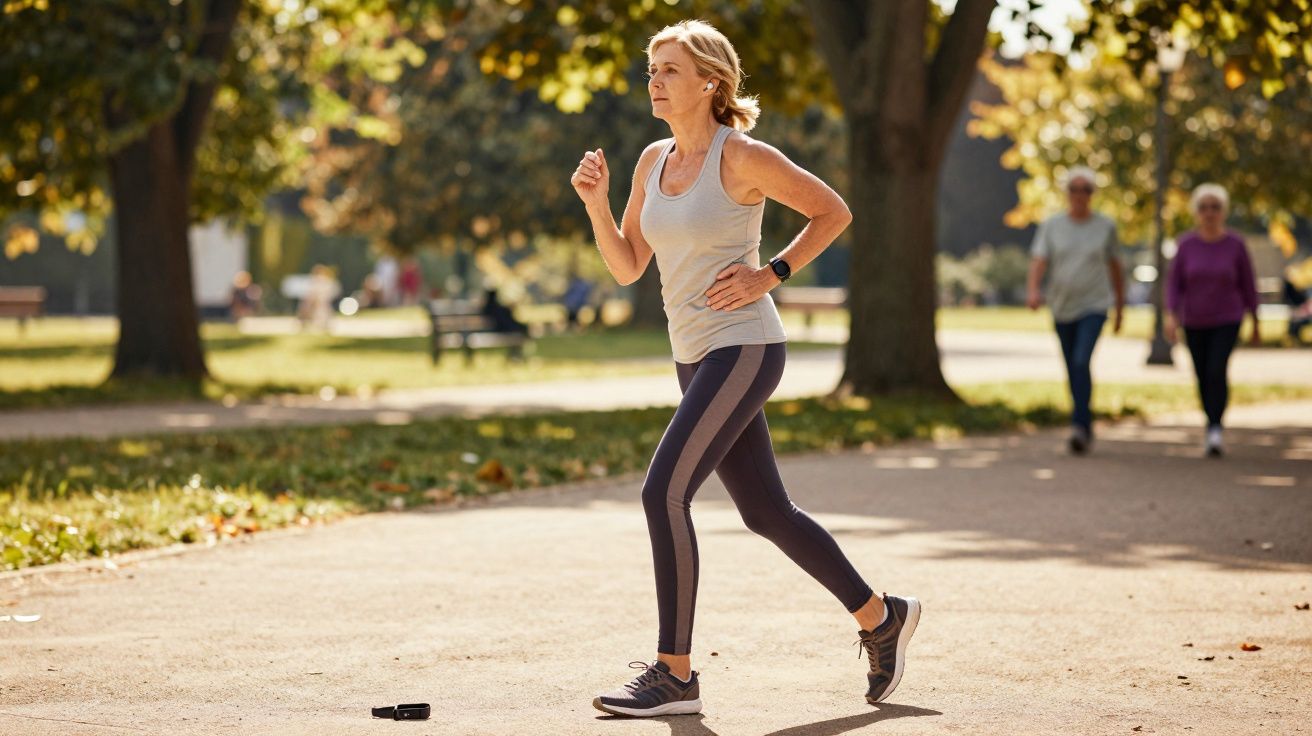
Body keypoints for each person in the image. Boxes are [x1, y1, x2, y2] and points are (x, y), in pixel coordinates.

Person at [569, 19, 919, 718]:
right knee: (765, 512)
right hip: (694, 354)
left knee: (661, 492)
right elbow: (628, 265)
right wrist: (596, 206)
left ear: (710, 81)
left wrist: (772, 273)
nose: (655, 82)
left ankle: (674, 674)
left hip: (745, 346)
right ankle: (882, 617)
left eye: (669, 70)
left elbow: (833, 211)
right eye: (651, 70)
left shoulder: (743, 157)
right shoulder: (651, 161)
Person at [1025, 166, 1125, 454]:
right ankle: (1083, 420)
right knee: (1072, 366)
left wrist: (1119, 307)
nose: (1080, 195)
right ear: (1067, 193)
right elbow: (1039, 260)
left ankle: (1080, 424)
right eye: (1075, 189)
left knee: (1081, 361)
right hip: (1061, 304)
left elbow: (1116, 268)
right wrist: (1033, 289)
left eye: (1086, 189)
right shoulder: (1052, 225)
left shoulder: (1105, 227)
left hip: (1094, 304)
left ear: (1092, 194)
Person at [1165, 183, 1260, 457]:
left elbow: (1247, 283)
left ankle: (1216, 427)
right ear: (1196, 212)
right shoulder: (1185, 244)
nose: (1209, 213)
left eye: (1215, 207)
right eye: (1204, 207)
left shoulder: (1235, 244)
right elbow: (1174, 285)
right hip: (1194, 319)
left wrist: (1255, 320)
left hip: (1227, 317)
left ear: (1223, 212)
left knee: (1216, 370)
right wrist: (1171, 316)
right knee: (1201, 373)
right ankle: (1210, 421)